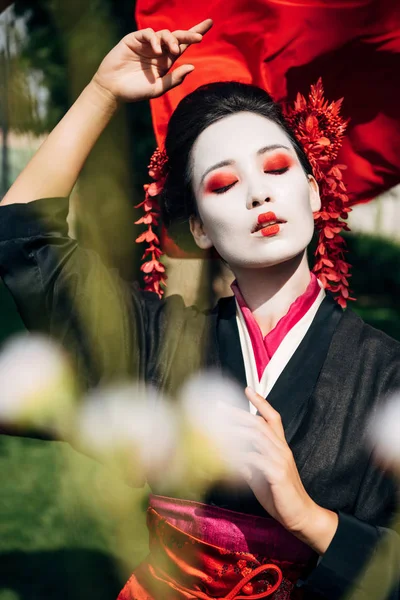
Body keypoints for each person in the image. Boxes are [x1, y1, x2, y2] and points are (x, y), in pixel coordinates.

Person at [0, 19, 399, 600]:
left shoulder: (387, 373)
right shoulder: (160, 340)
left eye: (277, 168)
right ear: (199, 230)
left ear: (314, 191)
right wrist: (104, 92)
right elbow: (22, 236)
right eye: (222, 184)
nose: (258, 193)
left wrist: (307, 517)